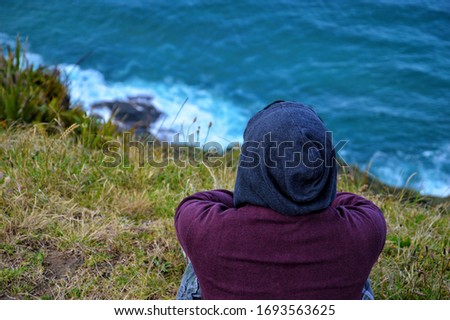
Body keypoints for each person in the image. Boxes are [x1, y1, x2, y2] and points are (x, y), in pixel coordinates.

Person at [174, 101, 386, 299]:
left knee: (198, 263)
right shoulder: (367, 228)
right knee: (359, 269)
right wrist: (311, 196)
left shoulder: (203, 226)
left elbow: (199, 201)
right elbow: (356, 204)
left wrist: (257, 194)